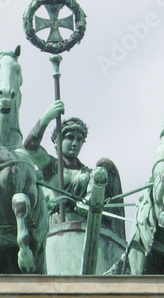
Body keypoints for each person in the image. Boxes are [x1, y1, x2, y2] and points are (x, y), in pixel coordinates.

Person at [23, 100, 124, 237]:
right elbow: (29, 147)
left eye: (79, 139)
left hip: (82, 231)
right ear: (57, 141)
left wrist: (92, 200)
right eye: (70, 138)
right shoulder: (50, 166)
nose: (75, 143)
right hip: (53, 228)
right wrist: (47, 116)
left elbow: (101, 208)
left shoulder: (90, 174)